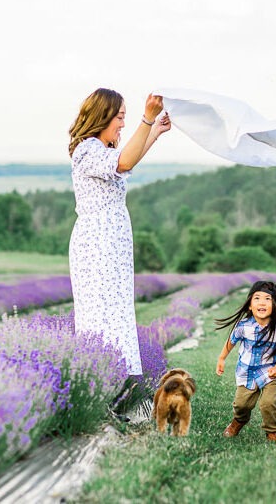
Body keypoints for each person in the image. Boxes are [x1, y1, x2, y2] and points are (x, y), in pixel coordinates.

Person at [68, 88, 171, 386]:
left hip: (110, 246)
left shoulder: (99, 150)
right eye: (120, 117)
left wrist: (155, 132)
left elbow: (128, 158)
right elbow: (124, 162)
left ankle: (119, 386)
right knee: (102, 315)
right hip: (97, 245)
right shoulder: (88, 150)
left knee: (116, 313)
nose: (123, 124)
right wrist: (147, 119)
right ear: (102, 116)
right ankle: (105, 384)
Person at [215, 280, 276, 443]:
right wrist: (222, 358)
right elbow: (231, 341)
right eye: (257, 298)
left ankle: (271, 431)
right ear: (250, 305)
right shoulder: (244, 326)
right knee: (241, 404)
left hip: (270, 372)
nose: (262, 302)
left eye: (267, 299)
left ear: (274, 305)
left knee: (268, 403)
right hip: (247, 371)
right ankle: (238, 421)